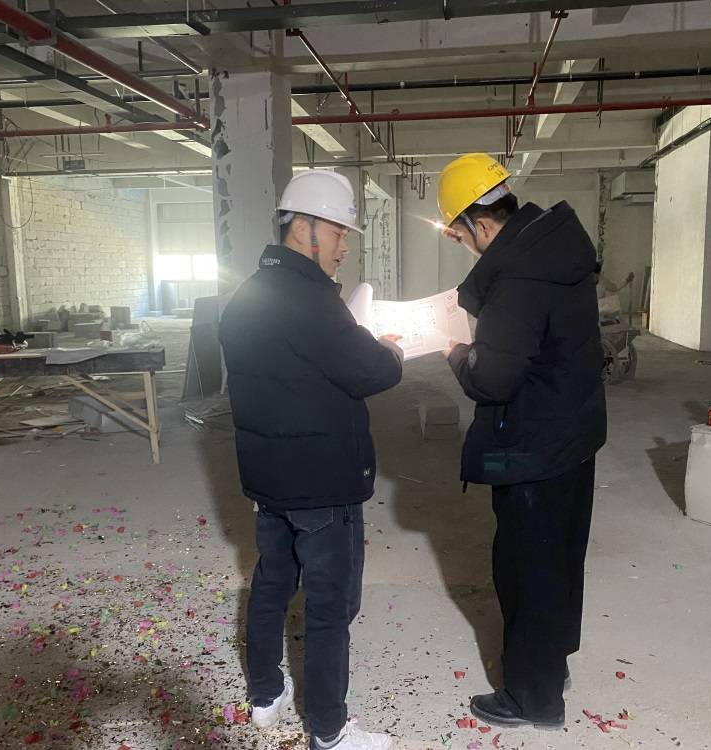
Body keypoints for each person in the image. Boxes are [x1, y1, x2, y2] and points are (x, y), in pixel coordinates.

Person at [219, 170, 403, 750]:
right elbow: (368, 372)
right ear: (304, 227)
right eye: (339, 232)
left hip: (268, 481)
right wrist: (391, 350)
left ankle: (265, 697)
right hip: (323, 483)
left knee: (271, 584)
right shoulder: (311, 300)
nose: (345, 245)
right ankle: (328, 730)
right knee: (329, 607)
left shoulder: (247, 295)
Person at [436, 153, 607, 730]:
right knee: (559, 561)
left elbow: (492, 378)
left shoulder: (518, 278)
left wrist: (454, 350)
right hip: (572, 436)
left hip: (532, 447)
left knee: (525, 570)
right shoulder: (555, 250)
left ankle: (534, 700)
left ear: (481, 225)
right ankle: (552, 668)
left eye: (462, 236)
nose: (466, 246)